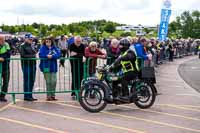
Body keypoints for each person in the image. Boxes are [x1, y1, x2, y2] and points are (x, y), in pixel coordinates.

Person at [20, 33, 37, 101]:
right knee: (27, 80)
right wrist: (32, 56)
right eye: (30, 39)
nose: (31, 40)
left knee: (32, 80)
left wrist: (34, 54)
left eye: (31, 39)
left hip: (33, 64)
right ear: (26, 39)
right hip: (26, 65)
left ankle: (30, 95)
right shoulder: (22, 46)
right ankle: (26, 96)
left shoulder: (32, 45)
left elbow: (35, 52)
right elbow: (23, 55)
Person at [0, 36, 11, 102]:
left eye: (4, 39)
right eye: (2, 40)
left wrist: (2, 58)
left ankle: (2, 96)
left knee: (6, 82)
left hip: (6, 67)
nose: (4, 41)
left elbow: (8, 54)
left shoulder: (6, 45)